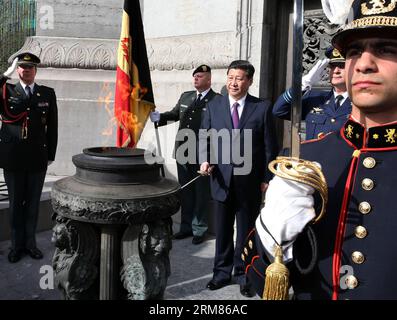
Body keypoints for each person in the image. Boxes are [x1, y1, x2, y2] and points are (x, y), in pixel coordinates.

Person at [244, 0, 397, 300]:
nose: (364, 64)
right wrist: (272, 239)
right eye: (353, 51)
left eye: (386, 49)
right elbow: (257, 281)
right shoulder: (309, 159)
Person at [199, 60, 278, 297]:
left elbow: (268, 147)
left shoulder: (261, 108)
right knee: (222, 230)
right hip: (221, 180)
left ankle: (245, 274)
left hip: (249, 183)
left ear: (249, 81)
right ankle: (221, 274)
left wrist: (267, 177)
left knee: (246, 231)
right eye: (231, 77)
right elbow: (205, 138)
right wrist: (204, 160)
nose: (234, 82)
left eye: (239, 78)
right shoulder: (214, 105)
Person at [149, 65, 219, 245]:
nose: (196, 79)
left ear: (209, 79)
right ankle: (186, 227)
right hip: (183, 151)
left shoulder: (217, 100)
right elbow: (174, 115)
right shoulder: (186, 96)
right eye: (194, 76)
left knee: (201, 193)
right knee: (186, 192)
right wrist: (159, 117)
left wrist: (212, 158)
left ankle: (199, 229)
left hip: (203, 155)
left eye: (200, 76)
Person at [0, 52, 58, 263]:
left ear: (36, 70)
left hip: (36, 157)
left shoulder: (47, 94)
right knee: (15, 204)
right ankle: (16, 246)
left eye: (30, 67)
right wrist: (3, 76)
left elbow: (52, 127)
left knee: (32, 204)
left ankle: (30, 244)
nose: (26, 70)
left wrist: (50, 154)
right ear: (17, 70)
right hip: (13, 158)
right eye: (22, 67)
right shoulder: (6, 91)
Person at [272, 46, 351, 140]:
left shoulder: (361, 102)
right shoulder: (316, 97)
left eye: (342, 66)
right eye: (332, 66)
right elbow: (279, 110)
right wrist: (303, 84)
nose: (336, 71)